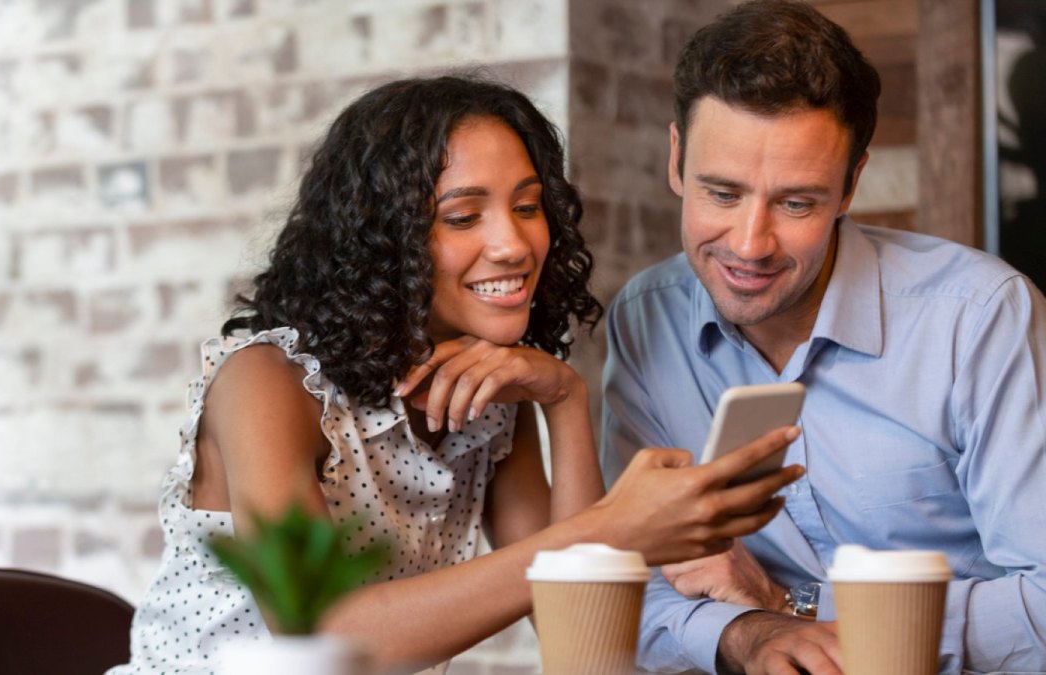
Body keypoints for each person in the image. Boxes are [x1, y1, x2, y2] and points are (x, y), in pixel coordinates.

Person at [108, 73, 802, 675]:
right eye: (463, 215)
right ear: (381, 239)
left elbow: (578, 638)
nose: (512, 243)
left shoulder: (494, 405)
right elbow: (321, 634)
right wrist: (614, 527)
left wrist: (563, 398)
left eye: (528, 207)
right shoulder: (268, 382)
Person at [600, 1, 1046, 674]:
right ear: (676, 158)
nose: (749, 245)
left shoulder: (982, 318)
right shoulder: (646, 317)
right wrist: (749, 632)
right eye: (721, 193)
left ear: (850, 186)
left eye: (796, 203)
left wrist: (793, 602)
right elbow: (629, 591)